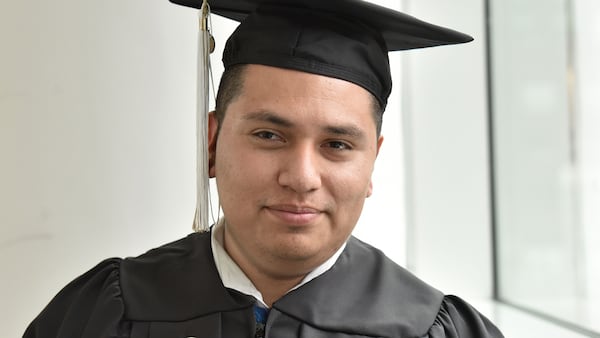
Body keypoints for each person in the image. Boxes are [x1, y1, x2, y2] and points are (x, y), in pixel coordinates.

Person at [24, 0, 504, 337]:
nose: (301, 177)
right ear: (211, 142)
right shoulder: (107, 311)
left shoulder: (431, 329)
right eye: (269, 136)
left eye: (337, 144)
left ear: (372, 162)